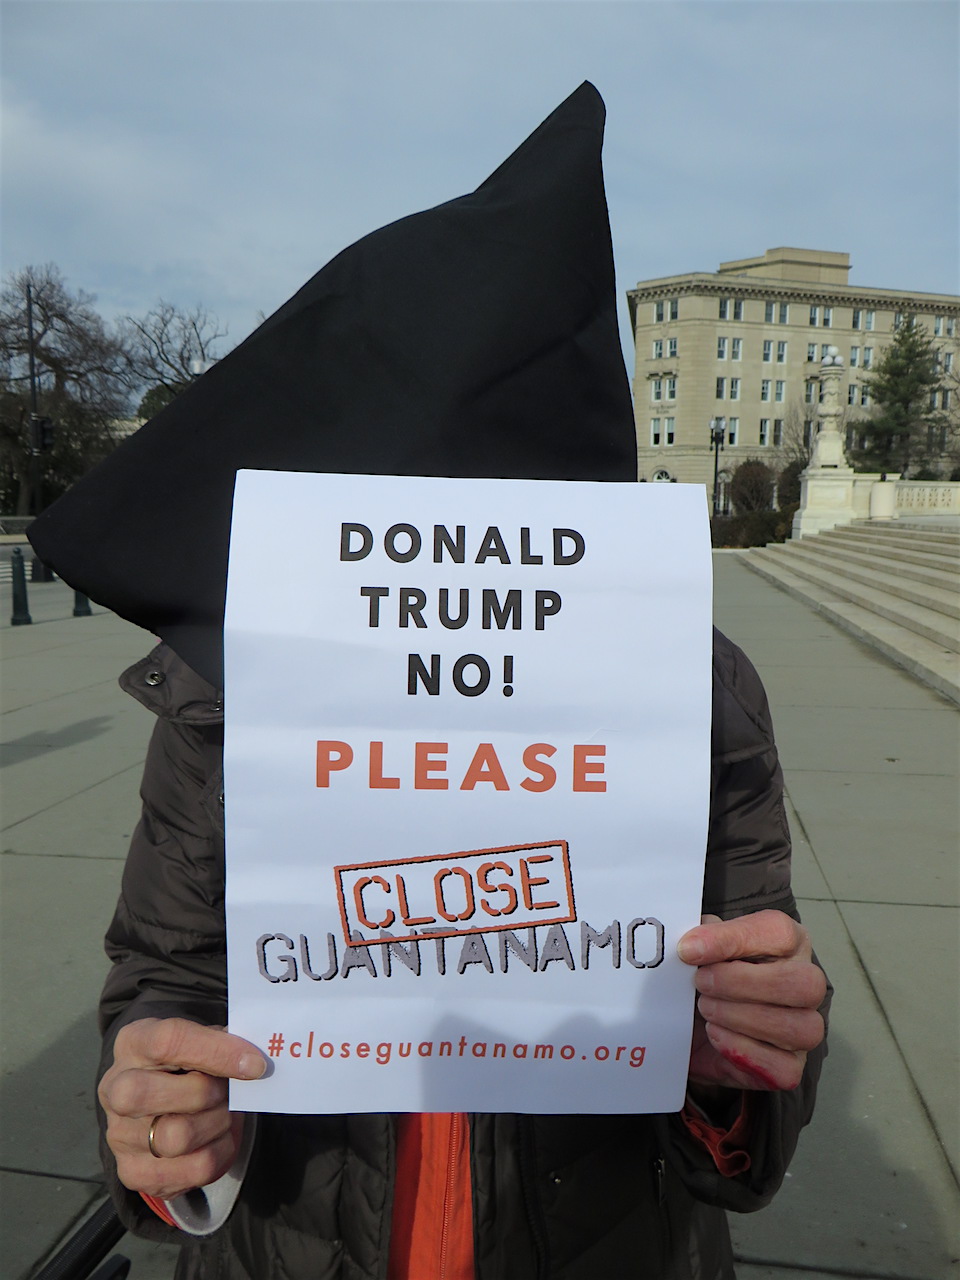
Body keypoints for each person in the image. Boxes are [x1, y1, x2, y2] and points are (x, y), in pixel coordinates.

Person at [28, 84, 828, 1279]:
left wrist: (747, 1063)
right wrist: (163, 1114)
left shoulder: (693, 692)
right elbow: (164, 976)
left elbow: (736, 1088)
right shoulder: (226, 694)